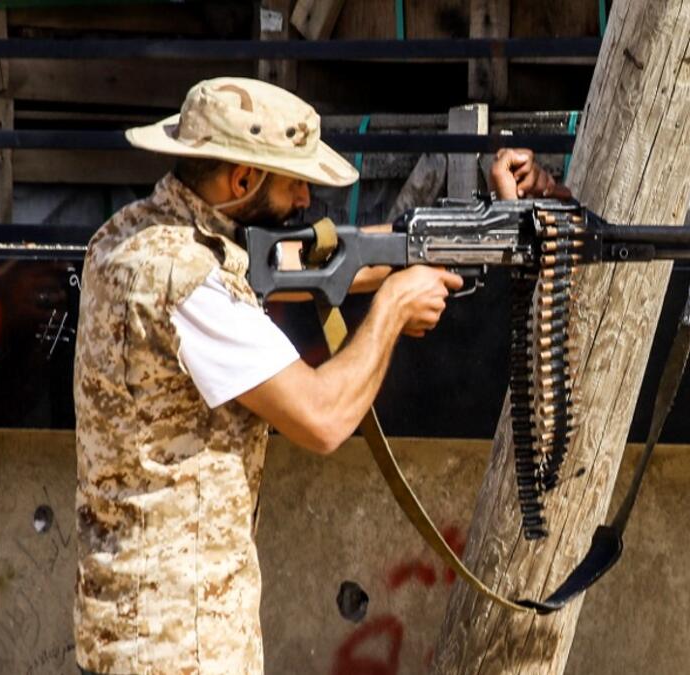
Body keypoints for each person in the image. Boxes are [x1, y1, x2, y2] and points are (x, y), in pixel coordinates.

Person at [72, 77, 567, 674]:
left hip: (138, 628)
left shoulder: (135, 234)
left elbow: (308, 260)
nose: (307, 200)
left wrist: (461, 232)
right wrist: (390, 313)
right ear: (243, 181)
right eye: (296, 183)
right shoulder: (187, 282)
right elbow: (323, 418)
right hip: (180, 646)